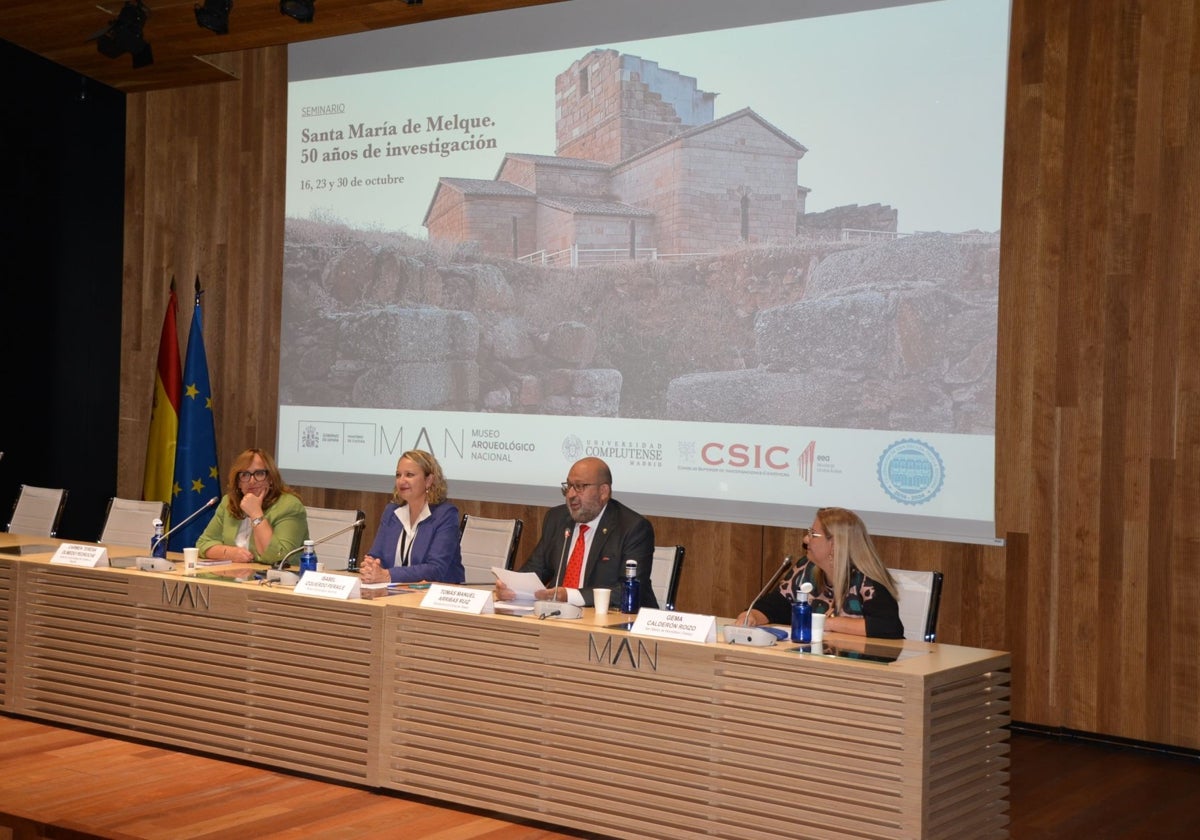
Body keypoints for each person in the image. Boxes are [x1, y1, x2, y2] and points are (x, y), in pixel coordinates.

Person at [494, 457, 657, 609]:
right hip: (558, 619)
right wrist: (511, 588)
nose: (571, 495)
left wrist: (569, 596)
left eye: (579, 487)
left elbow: (628, 591)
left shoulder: (633, 528)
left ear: (603, 492)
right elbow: (536, 569)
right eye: (569, 486)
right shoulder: (557, 519)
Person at [738, 507, 904, 639]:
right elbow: (774, 606)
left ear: (835, 544)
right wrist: (751, 616)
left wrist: (828, 623)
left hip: (863, 666)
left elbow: (888, 626)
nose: (805, 539)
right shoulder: (805, 569)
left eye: (813, 534)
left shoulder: (867, 579)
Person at [359, 450, 464, 584]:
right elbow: (375, 555)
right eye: (398, 475)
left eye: (409, 475)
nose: (401, 481)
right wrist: (370, 566)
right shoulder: (392, 512)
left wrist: (388, 575)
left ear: (428, 480)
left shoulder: (445, 515)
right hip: (395, 592)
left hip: (435, 596)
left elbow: (436, 569)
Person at [195, 448, 309, 566]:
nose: (252, 481)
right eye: (245, 475)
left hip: (279, 581)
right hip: (233, 578)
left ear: (271, 478)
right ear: (238, 482)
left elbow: (280, 558)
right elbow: (203, 544)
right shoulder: (229, 502)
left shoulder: (289, 506)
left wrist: (256, 514)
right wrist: (230, 553)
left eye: (259, 474)